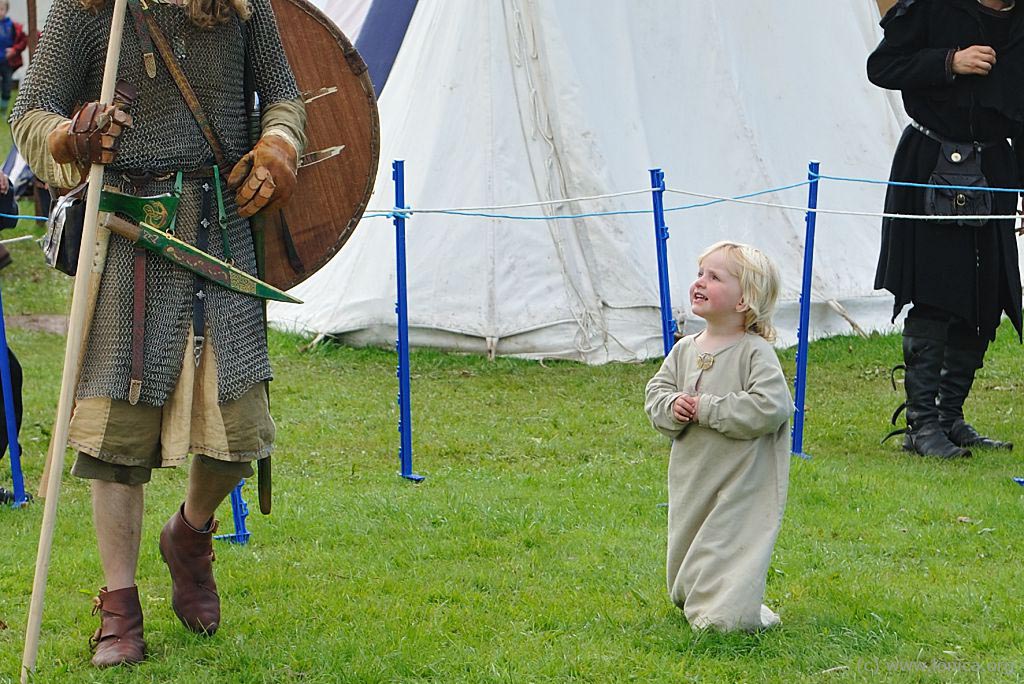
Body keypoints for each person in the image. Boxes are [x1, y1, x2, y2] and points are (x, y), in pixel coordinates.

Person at [11, 0, 306, 668]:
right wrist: (71, 138)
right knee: (116, 439)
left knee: (239, 431)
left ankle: (190, 535)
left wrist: (281, 146)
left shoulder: (238, 7)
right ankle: (119, 604)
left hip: (219, 226)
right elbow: (30, 114)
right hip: (129, 235)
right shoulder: (89, 11)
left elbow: (284, 94)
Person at [868, 0, 1021, 458]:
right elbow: (883, 66)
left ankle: (950, 416)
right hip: (931, 162)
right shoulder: (934, 7)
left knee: (986, 293)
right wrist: (949, 61)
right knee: (935, 293)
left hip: (994, 168)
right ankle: (922, 424)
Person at [644, 241, 792, 633]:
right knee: (689, 541)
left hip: (740, 482)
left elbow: (772, 406)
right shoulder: (682, 350)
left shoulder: (754, 353)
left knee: (727, 543)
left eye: (714, 277)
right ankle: (701, 599)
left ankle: (732, 616)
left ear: (745, 300)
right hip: (694, 476)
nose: (700, 283)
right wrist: (672, 405)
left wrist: (708, 409)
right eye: (699, 274)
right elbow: (655, 394)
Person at [0, 0, 27, 113]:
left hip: (7, 61)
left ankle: (3, 109)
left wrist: (14, 49)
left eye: (1, 9)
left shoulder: (13, 26)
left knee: (7, 85)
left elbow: (22, 40)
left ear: (6, 10)